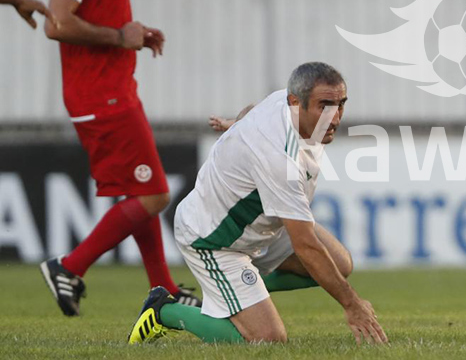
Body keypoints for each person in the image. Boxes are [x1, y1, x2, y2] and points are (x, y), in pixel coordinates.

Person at [128, 63, 387, 345]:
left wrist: (237, 126)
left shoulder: (283, 102)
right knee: (267, 339)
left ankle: (242, 293)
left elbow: (252, 110)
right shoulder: (280, 158)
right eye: (324, 106)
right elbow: (305, 244)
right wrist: (352, 304)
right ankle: (164, 310)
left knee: (340, 263)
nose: (334, 117)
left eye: (341, 105)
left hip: (257, 230)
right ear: (295, 102)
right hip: (213, 240)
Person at [40, 0, 200, 316]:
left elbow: (94, 20)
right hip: (102, 97)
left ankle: (163, 288)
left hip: (110, 92)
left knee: (139, 191)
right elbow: (58, 23)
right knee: (155, 195)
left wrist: (133, 35)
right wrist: (117, 37)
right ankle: (70, 266)